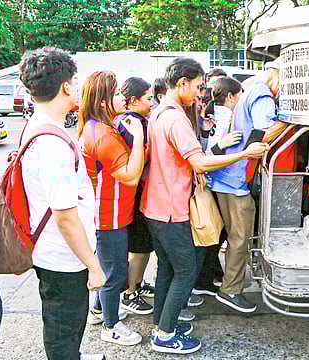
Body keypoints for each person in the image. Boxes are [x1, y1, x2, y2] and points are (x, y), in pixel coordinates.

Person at [141, 57, 269, 354]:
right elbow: (199, 161)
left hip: (156, 206)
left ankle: (164, 321)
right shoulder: (175, 118)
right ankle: (164, 334)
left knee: (168, 271)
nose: (201, 93)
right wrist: (243, 154)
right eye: (198, 86)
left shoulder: (160, 112)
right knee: (185, 270)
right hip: (171, 209)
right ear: (182, 83)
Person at [19, 47, 106, 360]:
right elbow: (65, 217)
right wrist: (94, 266)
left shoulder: (39, 126)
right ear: (67, 86)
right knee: (64, 330)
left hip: (54, 252)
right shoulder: (52, 144)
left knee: (65, 324)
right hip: (62, 258)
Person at [210, 60, 292, 314]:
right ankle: (231, 290)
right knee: (239, 239)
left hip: (224, 178)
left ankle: (219, 282)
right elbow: (264, 130)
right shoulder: (262, 93)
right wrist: (292, 122)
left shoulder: (250, 90)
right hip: (235, 182)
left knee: (230, 236)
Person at [78, 71, 143, 346]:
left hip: (107, 212)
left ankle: (99, 309)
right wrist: (139, 136)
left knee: (108, 266)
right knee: (114, 273)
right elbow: (130, 175)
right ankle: (111, 325)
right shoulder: (104, 135)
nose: (122, 99)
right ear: (103, 101)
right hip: (109, 215)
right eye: (117, 94)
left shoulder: (96, 126)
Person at [195, 77, 244, 296]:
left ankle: (206, 277)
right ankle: (203, 280)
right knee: (214, 235)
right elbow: (206, 153)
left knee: (213, 234)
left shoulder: (215, 117)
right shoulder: (227, 118)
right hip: (213, 181)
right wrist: (222, 146)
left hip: (210, 181)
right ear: (232, 97)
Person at [115, 77, 155, 315]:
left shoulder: (134, 120)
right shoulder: (131, 123)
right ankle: (129, 293)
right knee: (138, 248)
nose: (152, 103)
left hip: (138, 194)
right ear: (133, 100)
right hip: (135, 195)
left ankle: (137, 284)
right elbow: (139, 161)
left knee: (143, 247)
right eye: (148, 98)